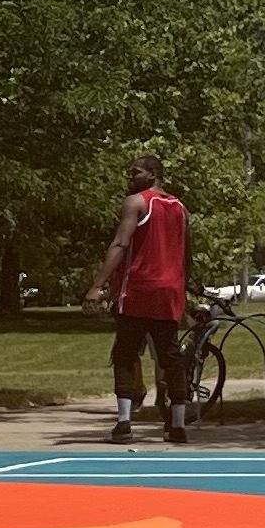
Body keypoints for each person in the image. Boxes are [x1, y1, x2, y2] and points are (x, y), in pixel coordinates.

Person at [85, 154, 194, 446]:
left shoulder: (137, 202)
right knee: (171, 356)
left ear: (154, 174)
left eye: (136, 173)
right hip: (170, 290)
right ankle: (178, 424)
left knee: (125, 352)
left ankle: (124, 422)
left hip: (139, 287)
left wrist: (98, 284)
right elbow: (185, 253)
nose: (130, 178)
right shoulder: (179, 208)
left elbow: (121, 243)